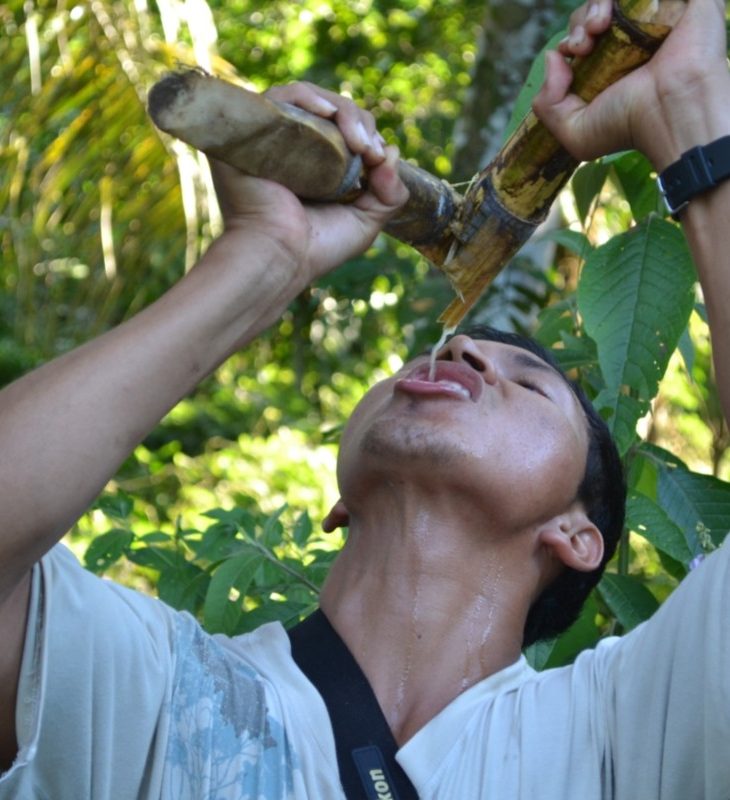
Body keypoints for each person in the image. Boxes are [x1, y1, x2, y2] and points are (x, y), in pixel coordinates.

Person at [0, 0, 728, 796]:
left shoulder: (622, 732)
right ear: (339, 502)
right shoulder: (153, 692)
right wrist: (262, 261)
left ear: (577, 537)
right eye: (445, 350)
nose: (462, 347)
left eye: (529, 384)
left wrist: (684, 107)